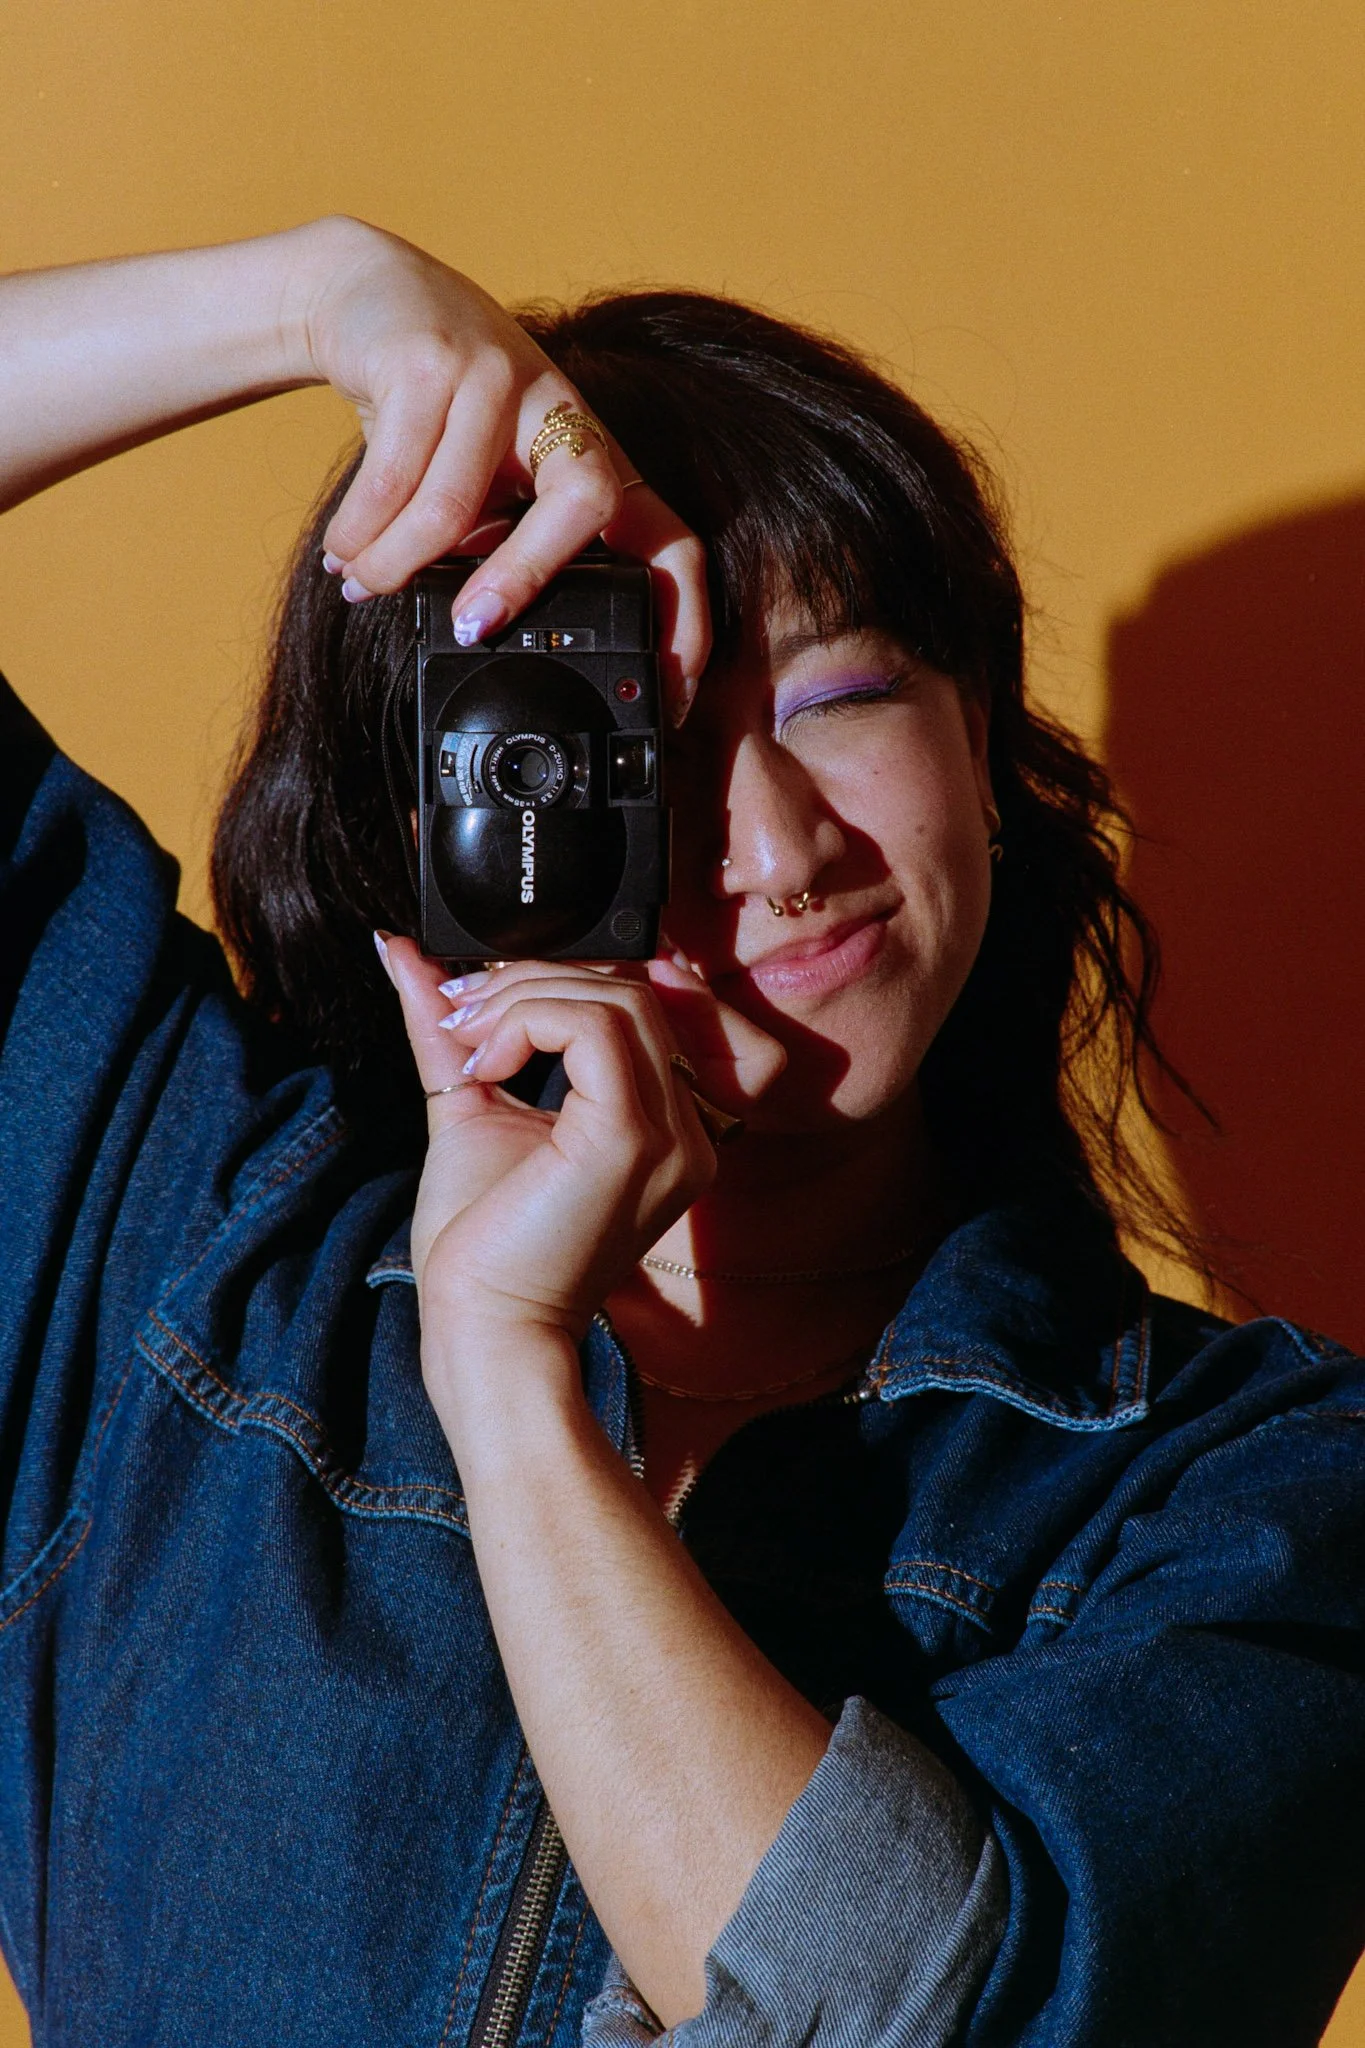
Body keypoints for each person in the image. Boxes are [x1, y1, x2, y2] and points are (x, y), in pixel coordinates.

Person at [1, 215, 1362, 2048]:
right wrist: (313, 297)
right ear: (434, 837)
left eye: (847, 695)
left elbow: (892, 2025)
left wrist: (511, 1383)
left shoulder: (1252, 1496)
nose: (782, 846)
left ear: (983, 743)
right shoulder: (187, 1251)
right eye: (632, 751)